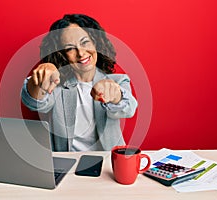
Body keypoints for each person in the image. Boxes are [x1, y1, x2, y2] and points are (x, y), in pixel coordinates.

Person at [21, 14, 138, 152]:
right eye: (70, 48)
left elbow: (129, 108)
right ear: (61, 54)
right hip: (66, 164)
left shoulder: (118, 81)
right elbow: (35, 103)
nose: (81, 53)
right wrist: (40, 78)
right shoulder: (57, 85)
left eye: (85, 42)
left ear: (96, 43)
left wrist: (115, 95)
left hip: (108, 163)